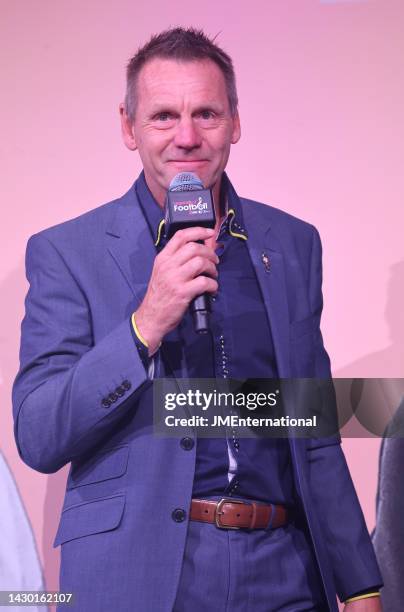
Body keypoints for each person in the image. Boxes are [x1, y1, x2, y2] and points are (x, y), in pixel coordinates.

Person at [12, 27, 382, 611]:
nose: (186, 136)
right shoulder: (67, 253)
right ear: (128, 127)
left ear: (235, 122)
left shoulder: (290, 244)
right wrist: (143, 327)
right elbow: (38, 434)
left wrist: (360, 583)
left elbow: (313, 429)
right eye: (163, 116)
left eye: (206, 113)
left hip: (282, 569)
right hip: (140, 576)